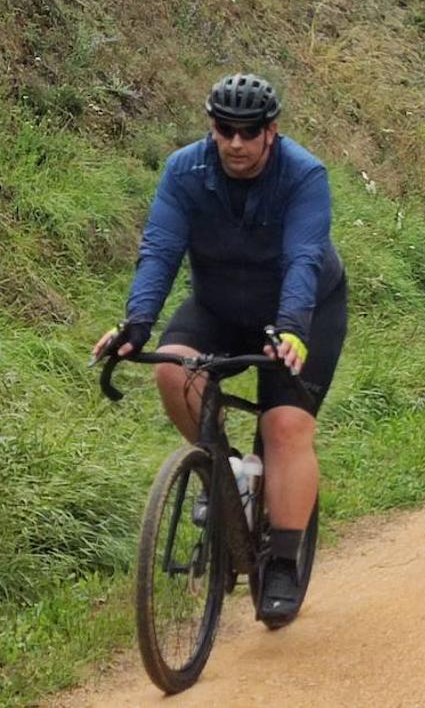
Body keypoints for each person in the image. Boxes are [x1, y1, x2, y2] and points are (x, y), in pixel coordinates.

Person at [92, 73, 347, 619]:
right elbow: (159, 250)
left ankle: (281, 562)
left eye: (247, 132)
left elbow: (303, 257)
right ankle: (228, 470)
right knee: (171, 370)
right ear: (212, 128)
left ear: (270, 132)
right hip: (220, 303)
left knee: (285, 427)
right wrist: (137, 324)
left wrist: (293, 328)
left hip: (302, 310)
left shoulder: (304, 175)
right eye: (224, 130)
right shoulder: (185, 170)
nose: (235, 142)